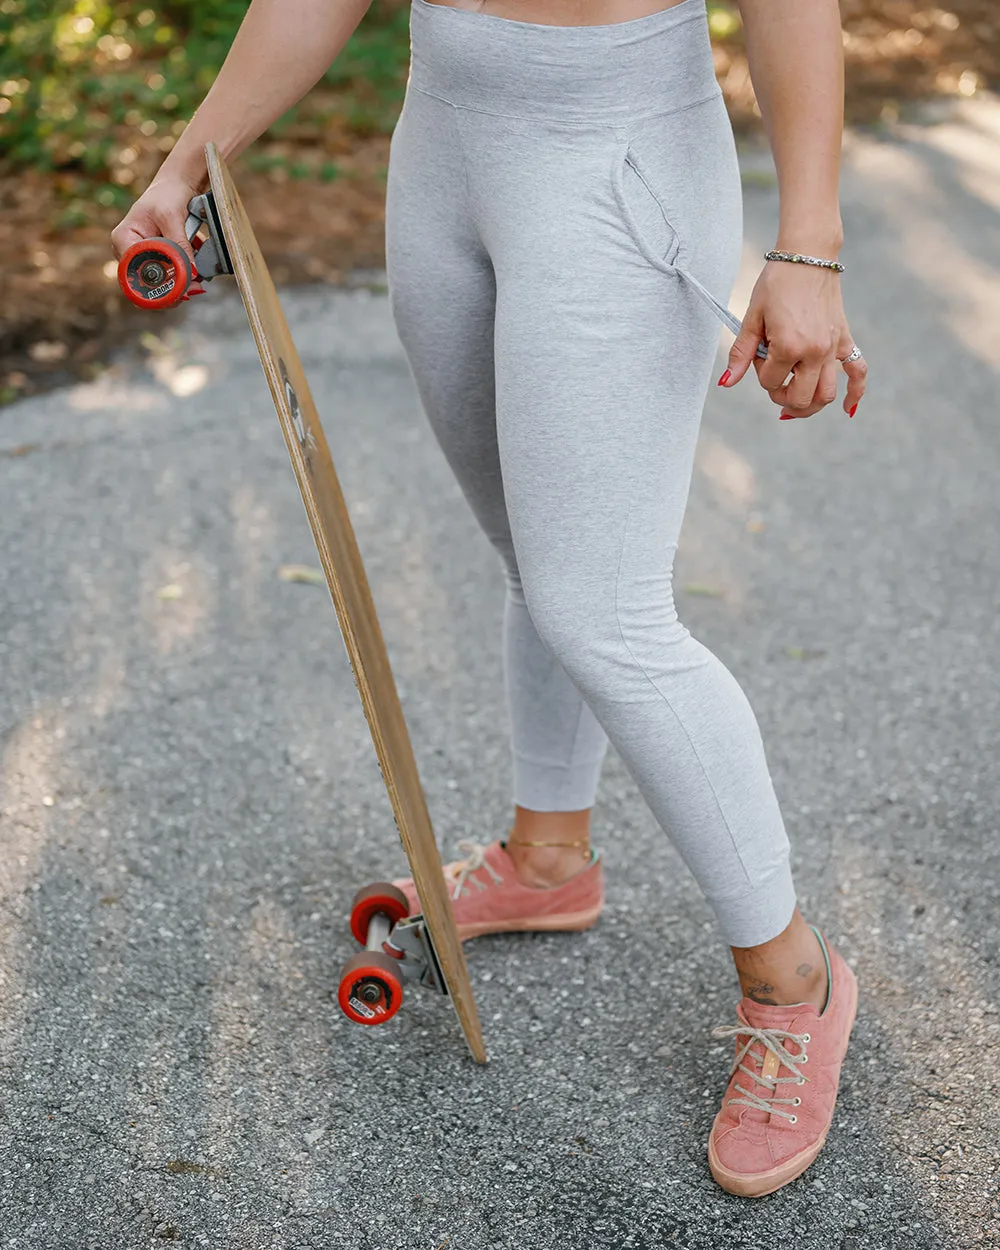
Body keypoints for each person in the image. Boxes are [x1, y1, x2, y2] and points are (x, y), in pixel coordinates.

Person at [111, 0, 868, 1198]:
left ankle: (795, 976)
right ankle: (547, 854)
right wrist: (190, 160)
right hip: (445, 139)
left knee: (601, 608)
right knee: (533, 554)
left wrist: (808, 245)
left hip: (616, 150)